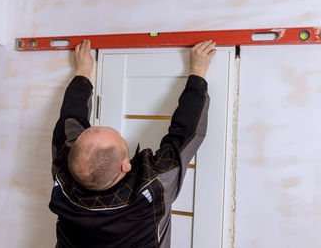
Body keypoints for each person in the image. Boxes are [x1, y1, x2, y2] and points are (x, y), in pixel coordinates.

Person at [49, 39, 217, 248]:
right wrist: (198, 71)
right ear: (126, 166)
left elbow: (70, 118)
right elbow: (185, 134)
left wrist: (82, 72)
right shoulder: (153, 186)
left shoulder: (63, 176)